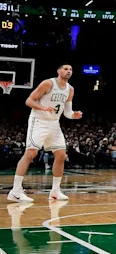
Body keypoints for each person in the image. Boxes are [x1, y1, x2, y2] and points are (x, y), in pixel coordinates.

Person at [8, 64, 83, 203]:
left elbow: (67, 112)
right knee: (31, 153)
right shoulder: (48, 83)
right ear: (58, 71)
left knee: (61, 155)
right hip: (39, 121)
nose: (68, 71)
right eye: (65, 69)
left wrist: (74, 115)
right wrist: (43, 108)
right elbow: (29, 101)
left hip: (54, 124)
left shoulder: (70, 89)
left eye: (71, 69)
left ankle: (55, 191)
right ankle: (15, 191)